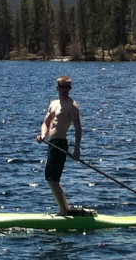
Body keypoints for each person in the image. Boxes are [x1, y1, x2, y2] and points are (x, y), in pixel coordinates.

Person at [37, 75, 82, 216]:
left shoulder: (72, 106)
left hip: (61, 143)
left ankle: (64, 210)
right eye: (62, 87)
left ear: (70, 88)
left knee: (52, 178)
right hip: (52, 143)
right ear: (57, 88)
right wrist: (43, 135)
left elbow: (78, 129)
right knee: (51, 178)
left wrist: (77, 150)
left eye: (67, 87)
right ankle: (65, 209)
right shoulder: (54, 103)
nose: (64, 90)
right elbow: (46, 123)